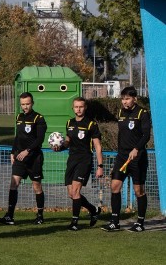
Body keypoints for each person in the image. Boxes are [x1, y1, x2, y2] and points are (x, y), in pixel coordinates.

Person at [103, 86, 151, 232]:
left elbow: (146, 135)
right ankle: (114, 222)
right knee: (115, 186)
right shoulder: (120, 112)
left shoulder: (142, 113)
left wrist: (136, 149)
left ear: (134, 99)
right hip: (122, 157)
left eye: (127, 98)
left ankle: (140, 223)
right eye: (123, 99)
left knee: (139, 191)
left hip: (137, 158)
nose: (124, 102)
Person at [52, 97, 104, 231]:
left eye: (81, 106)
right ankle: (93, 210)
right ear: (73, 108)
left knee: (76, 191)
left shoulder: (91, 124)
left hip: (84, 160)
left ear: (85, 107)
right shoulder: (69, 122)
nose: (78, 109)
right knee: (71, 193)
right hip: (72, 160)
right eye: (76, 107)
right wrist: (60, 147)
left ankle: (74, 223)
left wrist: (100, 166)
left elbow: (97, 146)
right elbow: (68, 141)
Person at [0, 92, 47, 225]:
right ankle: (10, 216)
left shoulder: (39, 118)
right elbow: (18, 137)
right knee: (14, 184)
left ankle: (40, 215)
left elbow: (39, 139)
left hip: (34, 158)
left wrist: (27, 151)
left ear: (32, 103)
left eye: (27, 104)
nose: (25, 107)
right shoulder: (19, 117)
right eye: (23, 104)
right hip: (19, 157)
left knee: (36, 186)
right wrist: (13, 152)